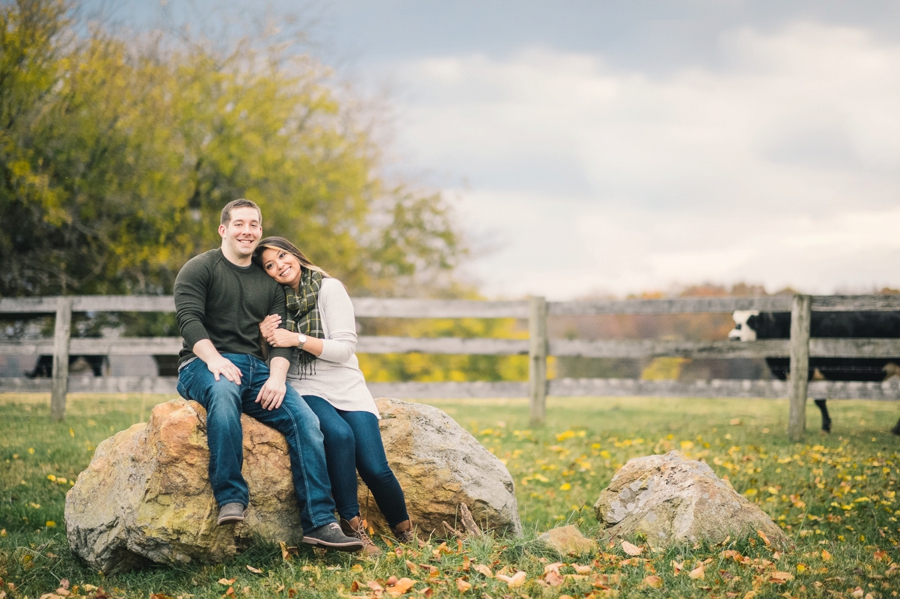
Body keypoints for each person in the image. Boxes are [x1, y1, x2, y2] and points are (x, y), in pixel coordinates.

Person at [173, 199, 363, 552]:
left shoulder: (269, 282)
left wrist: (277, 378)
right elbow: (188, 321)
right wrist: (214, 359)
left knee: (305, 420)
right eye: (240, 224)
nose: (247, 231)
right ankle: (231, 498)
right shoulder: (200, 268)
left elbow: (280, 339)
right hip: (202, 364)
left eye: (254, 225)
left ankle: (320, 522)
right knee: (224, 394)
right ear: (224, 229)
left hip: (258, 370)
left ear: (260, 230)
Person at [253, 236, 414, 556]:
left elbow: (344, 350)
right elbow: (268, 352)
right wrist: (263, 335)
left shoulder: (329, 288)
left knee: (375, 467)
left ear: (295, 254)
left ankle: (406, 533)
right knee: (339, 437)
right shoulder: (274, 301)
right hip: (304, 385)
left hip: (347, 385)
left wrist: (296, 338)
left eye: (282, 256)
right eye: (269, 265)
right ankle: (354, 530)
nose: (279, 266)